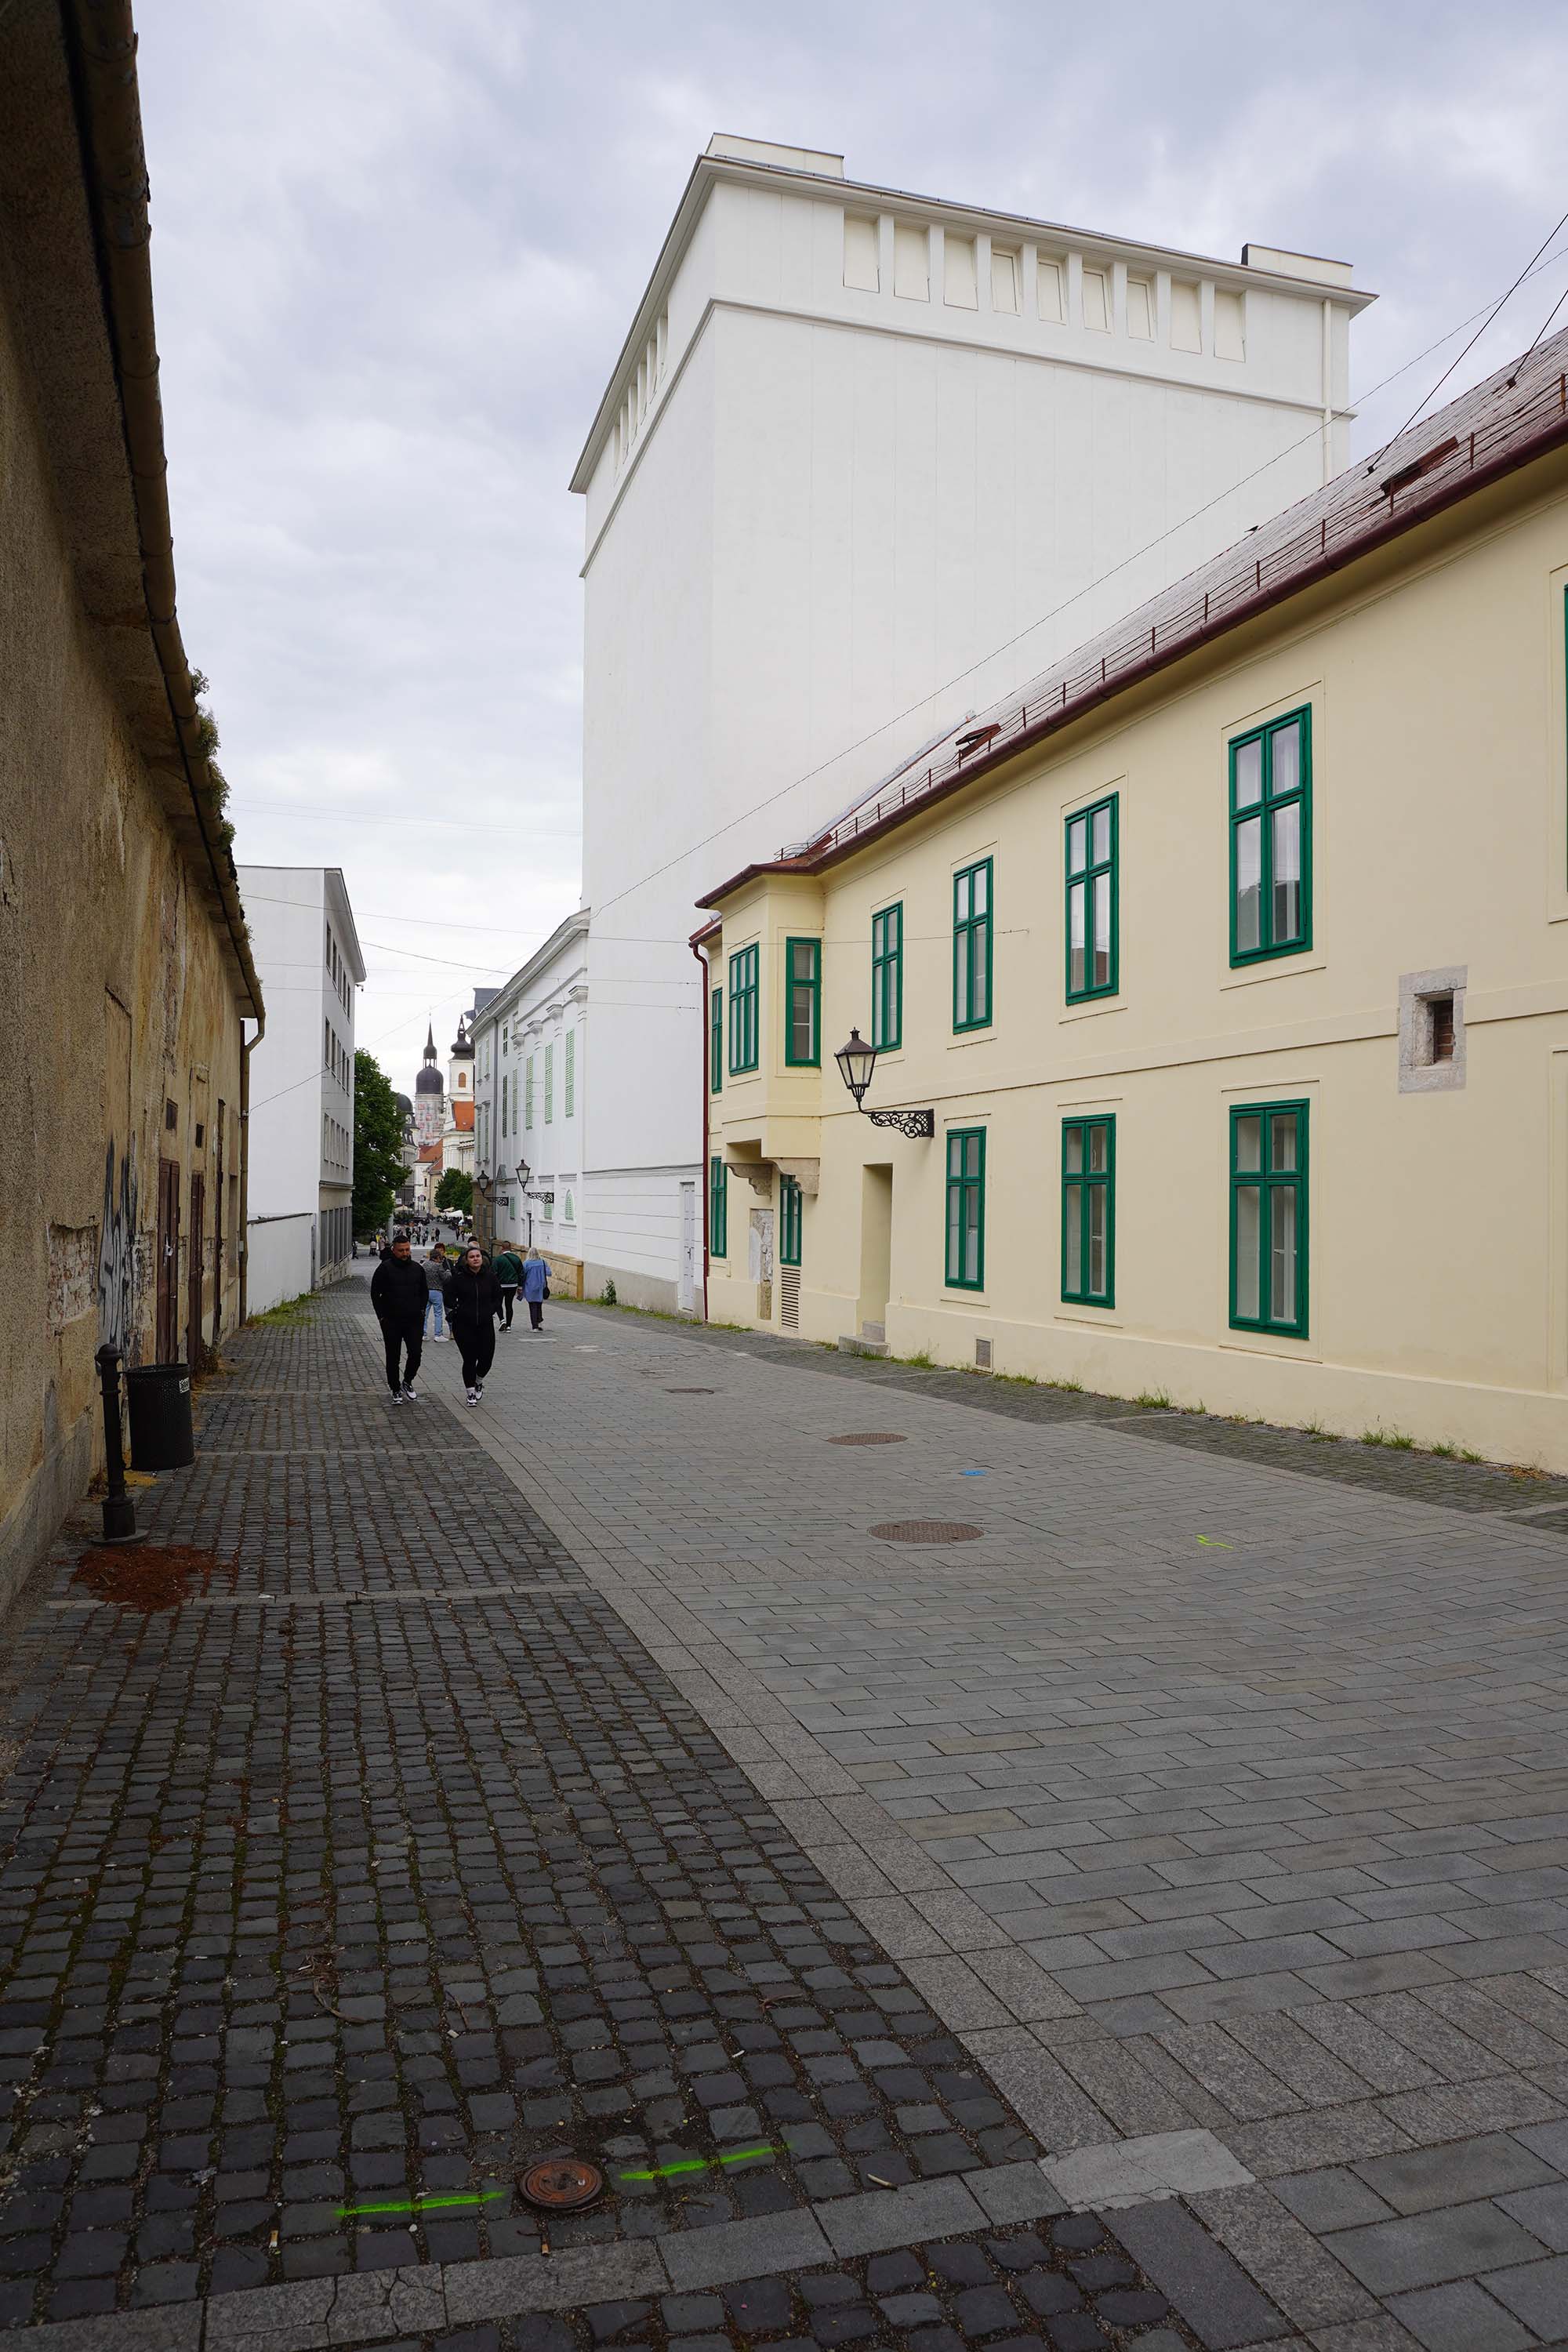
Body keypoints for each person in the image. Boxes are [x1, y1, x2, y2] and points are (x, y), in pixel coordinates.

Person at [370, 1229, 426, 1405]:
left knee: (416, 1353)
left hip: (414, 1319)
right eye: (401, 1250)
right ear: (394, 1250)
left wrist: (422, 1311)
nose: (405, 1253)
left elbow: (424, 1292)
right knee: (393, 1356)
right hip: (391, 1320)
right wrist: (381, 1317)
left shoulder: (417, 1269)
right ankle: (395, 1388)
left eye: (407, 1250)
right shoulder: (385, 1269)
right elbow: (375, 1293)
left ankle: (407, 1381)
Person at [446, 1242, 501, 1404]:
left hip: (485, 1324)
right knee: (469, 1359)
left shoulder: (490, 1277)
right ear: (466, 1261)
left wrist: (491, 1309)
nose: (475, 1259)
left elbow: (498, 1297)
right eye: (472, 1257)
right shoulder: (458, 1278)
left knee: (486, 1359)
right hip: (464, 1325)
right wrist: (457, 1310)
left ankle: (478, 1380)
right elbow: (448, 1297)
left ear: (482, 1259)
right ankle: (470, 1392)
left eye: (478, 1256)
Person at [521, 1246, 552, 1332]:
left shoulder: (526, 1263)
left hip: (530, 1287)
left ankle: (535, 1326)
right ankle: (539, 1323)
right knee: (539, 1305)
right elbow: (549, 1273)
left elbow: (522, 1275)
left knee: (532, 1306)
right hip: (541, 1286)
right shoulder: (543, 1262)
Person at [494, 1243, 522, 1330]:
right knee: (509, 1305)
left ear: (502, 1248)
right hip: (512, 1285)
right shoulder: (517, 1259)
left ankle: (502, 1320)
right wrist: (520, 1286)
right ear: (511, 1248)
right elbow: (521, 1273)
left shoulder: (498, 1259)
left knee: (498, 1303)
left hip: (500, 1285)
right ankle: (509, 1326)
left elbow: (494, 1273)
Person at [423, 1245, 449, 1341]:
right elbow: (446, 1278)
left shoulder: (425, 1265)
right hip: (437, 1291)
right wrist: (448, 1272)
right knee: (438, 1313)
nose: (441, 1260)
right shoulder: (438, 1266)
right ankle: (438, 1335)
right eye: (440, 1258)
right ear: (437, 1258)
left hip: (426, 1292)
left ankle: (423, 1334)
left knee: (425, 1313)